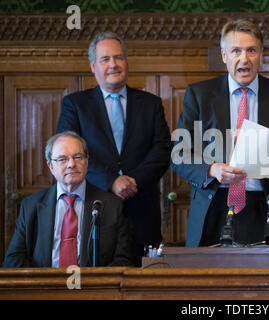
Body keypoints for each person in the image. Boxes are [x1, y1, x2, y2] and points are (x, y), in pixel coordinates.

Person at [171, 19, 269, 246]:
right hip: (213, 205)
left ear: (261, 54)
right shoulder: (199, 95)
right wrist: (212, 169)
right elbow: (179, 155)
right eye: (236, 51)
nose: (244, 59)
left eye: (251, 50)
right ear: (224, 55)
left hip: (264, 208)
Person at [56, 32, 172, 266]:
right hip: (94, 211)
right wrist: (112, 181)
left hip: (142, 211)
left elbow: (162, 151)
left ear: (126, 62)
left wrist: (131, 181)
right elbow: (69, 153)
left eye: (118, 57)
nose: (113, 64)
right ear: (93, 66)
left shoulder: (150, 104)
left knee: (145, 283)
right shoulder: (76, 105)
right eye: (105, 59)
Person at [3, 131, 133, 268]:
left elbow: (123, 260)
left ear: (87, 161)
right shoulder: (31, 206)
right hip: (45, 285)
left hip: (93, 287)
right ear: (51, 166)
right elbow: (13, 260)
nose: (71, 164)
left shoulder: (112, 205)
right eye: (62, 159)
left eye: (77, 157)